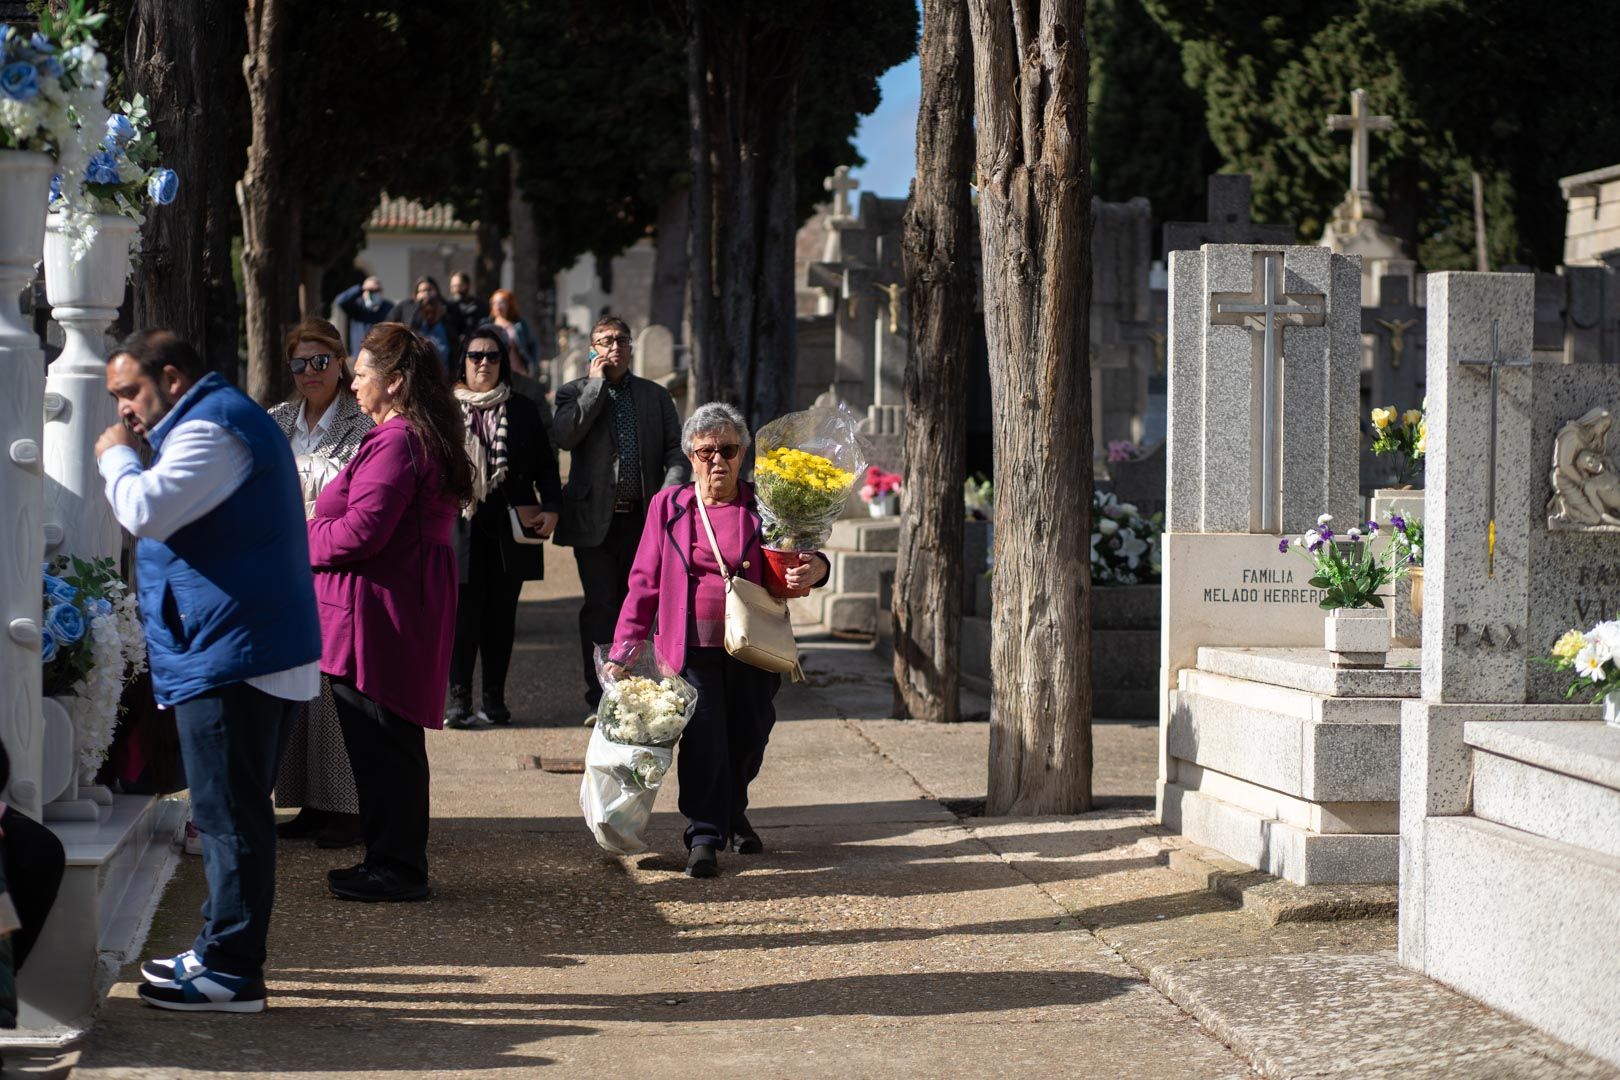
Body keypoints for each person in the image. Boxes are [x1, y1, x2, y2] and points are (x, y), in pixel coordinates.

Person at [95, 329, 321, 1012]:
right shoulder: (216, 419)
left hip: (236, 655)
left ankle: (231, 970)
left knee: (229, 816)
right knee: (230, 812)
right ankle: (220, 948)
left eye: (129, 392)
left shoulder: (212, 428)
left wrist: (115, 462)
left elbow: (146, 510)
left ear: (170, 377)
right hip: (237, 649)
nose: (124, 412)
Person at [609, 403, 828, 878]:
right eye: (706, 451)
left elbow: (801, 562)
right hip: (689, 646)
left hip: (754, 642)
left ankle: (733, 812)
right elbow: (644, 582)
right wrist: (624, 651)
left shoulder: (765, 504)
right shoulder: (668, 507)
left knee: (750, 732)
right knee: (705, 736)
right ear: (690, 455)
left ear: (743, 452)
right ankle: (705, 833)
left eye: (728, 450)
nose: (717, 461)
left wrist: (818, 568)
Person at [308, 323, 469, 902]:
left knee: (383, 741)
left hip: (379, 610)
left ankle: (397, 866)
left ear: (395, 382)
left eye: (364, 374)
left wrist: (299, 537)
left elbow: (361, 532)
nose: (353, 384)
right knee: (385, 742)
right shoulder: (410, 435)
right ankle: (388, 857)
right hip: (390, 602)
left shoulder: (398, 440)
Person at [268, 319, 374, 848]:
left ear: (339, 363)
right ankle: (306, 799)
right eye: (299, 363)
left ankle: (346, 807)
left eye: (320, 361)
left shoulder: (361, 424)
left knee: (334, 688)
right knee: (294, 685)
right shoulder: (278, 419)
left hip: (336, 562)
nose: (310, 372)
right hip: (285, 564)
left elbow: (355, 494)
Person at [551, 315, 689, 715]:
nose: (613, 346)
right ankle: (600, 697)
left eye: (620, 340)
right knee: (600, 606)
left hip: (642, 520)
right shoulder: (571, 391)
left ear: (630, 348)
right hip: (593, 520)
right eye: (604, 341)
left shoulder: (655, 396)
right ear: (593, 349)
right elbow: (564, 436)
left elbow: (674, 452)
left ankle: (636, 691)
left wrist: (667, 496)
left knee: (640, 606)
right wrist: (594, 387)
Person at [446, 325, 563, 727]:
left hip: (509, 528)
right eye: (475, 356)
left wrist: (552, 507)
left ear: (503, 363)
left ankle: (494, 698)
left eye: (492, 356)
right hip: (458, 527)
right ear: (462, 362)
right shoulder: (445, 409)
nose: (484, 363)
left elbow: (547, 465)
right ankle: (458, 699)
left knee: (500, 618)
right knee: (461, 618)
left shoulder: (523, 409)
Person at [386, 277, 462, 377]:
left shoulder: (448, 315)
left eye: (429, 290)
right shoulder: (408, 311)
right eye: (421, 291)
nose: (426, 294)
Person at [488, 287, 541, 382]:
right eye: (494, 303)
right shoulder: (487, 325)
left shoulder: (519, 325)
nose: (498, 306)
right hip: (494, 374)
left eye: (501, 302)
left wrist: (532, 364)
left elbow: (533, 345)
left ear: (509, 304)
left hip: (518, 373)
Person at [333, 275, 392, 355]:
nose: (374, 293)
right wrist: (360, 288)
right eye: (370, 291)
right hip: (360, 354)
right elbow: (339, 301)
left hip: (381, 354)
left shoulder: (388, 307)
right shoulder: (358, 306)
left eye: (377, 290)